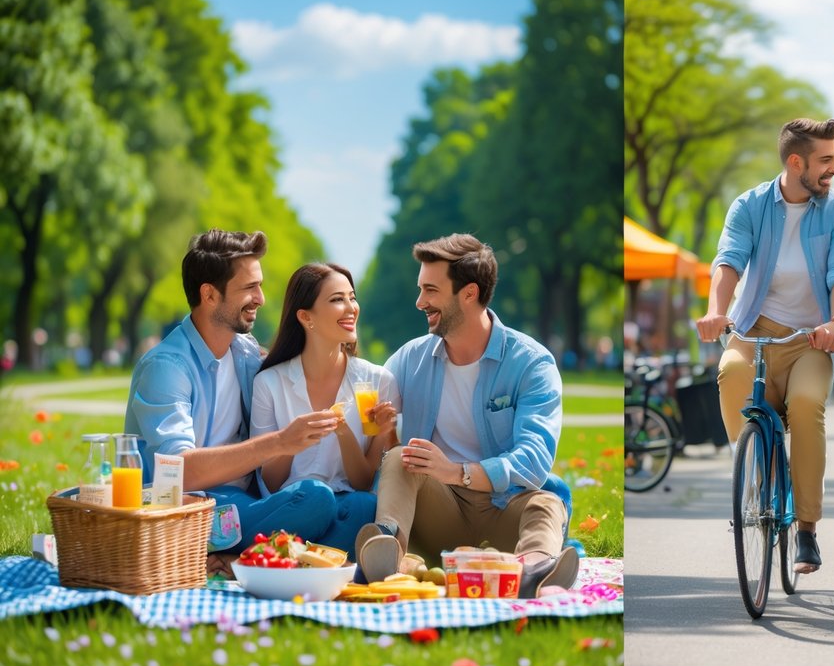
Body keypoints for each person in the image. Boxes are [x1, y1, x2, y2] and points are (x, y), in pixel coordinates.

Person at [356, 233, 578, 598]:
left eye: (430, 291)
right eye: (420, 289)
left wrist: (456, 471)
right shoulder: (410, 359)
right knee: (400, 458)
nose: (419, 302)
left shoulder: (530, 363)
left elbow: (535, 459)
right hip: (438, 512)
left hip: (501, 505)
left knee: (548, 499)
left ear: (469, 293)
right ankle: (388, 555)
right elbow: (363, 399)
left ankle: (535, 569)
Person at [695, 117, 834, 575]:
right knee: (730, 372)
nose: (833, 170)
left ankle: (806, 528)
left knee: (806, 405)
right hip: (754, 329)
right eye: (825, 161)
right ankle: (751, 475)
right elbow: (728, 261)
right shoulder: (749, 206)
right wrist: (715, 311)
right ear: (795, 162)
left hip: (811, 338)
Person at [125, 229, 343, 553]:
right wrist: (280, 442)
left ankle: (238, 558)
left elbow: (296, 366)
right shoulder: (166, 367)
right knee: (316, 500)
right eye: (250, 287)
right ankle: (234, 556)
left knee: (362, 507)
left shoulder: (243, 352)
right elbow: (178, 470)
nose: (261, 298)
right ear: (209, 295)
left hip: (241, 504)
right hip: (184, 511)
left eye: (260, 285)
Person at [249, 263, 401, 555]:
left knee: (364, 504)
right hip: (295, 504)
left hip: (344, 505)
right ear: (306, 317)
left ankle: (293, 561)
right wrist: (289, 442)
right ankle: (320, 562)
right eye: (337, 299)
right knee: (317, 497)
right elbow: (271, 480)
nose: (351, 308)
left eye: (352, 297)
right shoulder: (270, 383)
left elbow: (362, 481)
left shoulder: (376, 382)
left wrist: (351, 432)